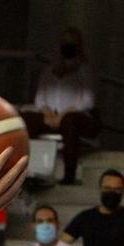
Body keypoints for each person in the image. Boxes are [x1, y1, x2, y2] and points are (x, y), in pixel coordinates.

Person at [23, 28, 99, 184]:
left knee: (70, 123)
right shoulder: (49, 70)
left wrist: (62, 116)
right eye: (65, 43)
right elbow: (40, 98)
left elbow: (88, 101)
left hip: (73, 117)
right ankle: (27, 171)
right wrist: (48, 114)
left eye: (71, 43)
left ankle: (69, 173)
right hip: (50, 116)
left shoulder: (84, 70)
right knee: (25, 120)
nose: (68, 46)